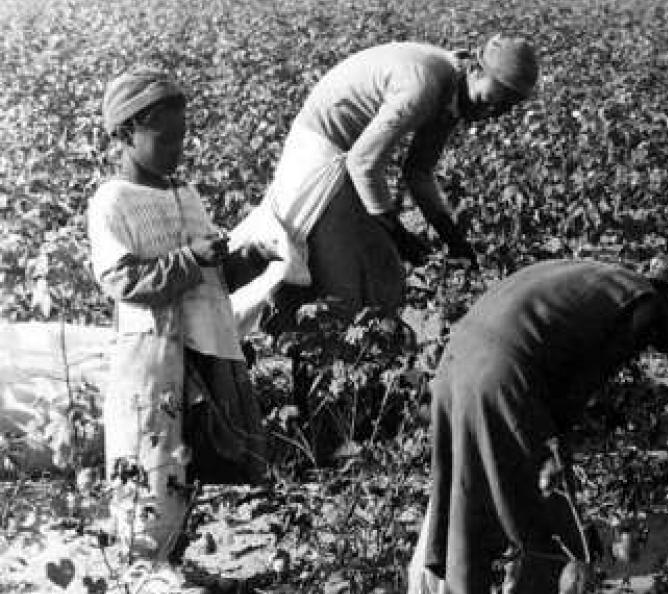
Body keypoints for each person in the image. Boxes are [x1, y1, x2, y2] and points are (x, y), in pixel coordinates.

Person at [406, 258, 668, 594]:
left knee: (466, 490)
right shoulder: (646, 306)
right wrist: (553, 452)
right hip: (502, 376)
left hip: (458, 360)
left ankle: (460, 593)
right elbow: (577, 391)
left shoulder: (606, 276)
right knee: (548, 528)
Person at [87, 67, 277, 562]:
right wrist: (191, 258)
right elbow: (123, 282)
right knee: (151, 454)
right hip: (153, 351)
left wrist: (249, 258)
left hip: (204, 345)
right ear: (126, 134)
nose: (177, 149)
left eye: (182, 137)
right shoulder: (112, 201)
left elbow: (210, 280)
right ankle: (142, 563)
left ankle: (170, 558)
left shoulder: (184, 194)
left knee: (195, 453)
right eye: (163, 138)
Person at [227, 35, 540, 334]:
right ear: (475, 70)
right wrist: (397, 233)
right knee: (356, 279)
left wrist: (453, 237)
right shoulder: (424, 86)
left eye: (508, 106)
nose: (495, 112)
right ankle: (304, 349)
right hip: (321, 155)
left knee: (378, 274)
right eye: (497, 98)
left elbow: (418, 172)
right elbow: (362, 164)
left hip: (345, 157)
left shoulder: (459, 94)